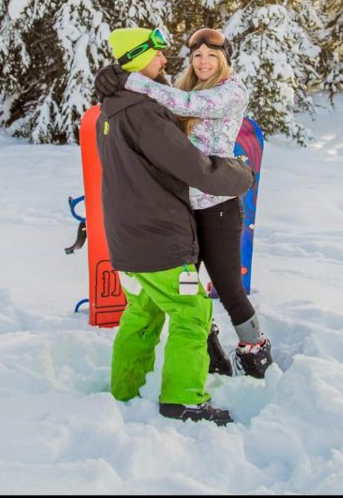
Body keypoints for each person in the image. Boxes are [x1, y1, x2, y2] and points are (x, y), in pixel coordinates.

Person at [96, 26, 255, 427]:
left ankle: (124, 389)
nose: (166, 60)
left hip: (127, 237)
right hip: (160, 236)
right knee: (192, 313)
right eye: (157, 54)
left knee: (142, 311)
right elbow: (193, 167)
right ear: (137, 60)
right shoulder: (144, 111)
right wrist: (239, 175)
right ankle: (184, 400)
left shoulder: (111, 108)